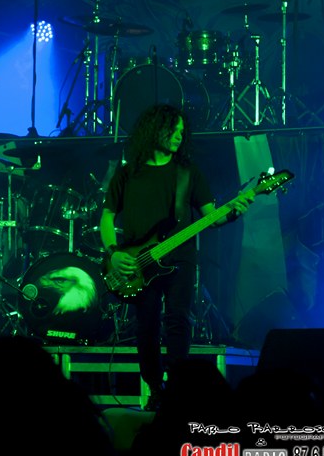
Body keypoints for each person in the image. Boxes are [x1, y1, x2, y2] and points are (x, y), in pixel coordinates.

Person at [99, 103, 253, 412]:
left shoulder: (188, 173)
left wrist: (234, 211)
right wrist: (113, 254)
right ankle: (156, 390)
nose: (179, 136)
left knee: (178, 321)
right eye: (173, 130)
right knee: (146, 326)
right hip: (138, 263)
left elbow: (211, 218)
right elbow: (106, 218)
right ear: (155, 130)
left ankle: (178, 389)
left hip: (180, 260)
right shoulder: (128, 173)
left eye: (182, 132)